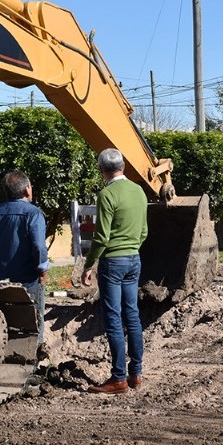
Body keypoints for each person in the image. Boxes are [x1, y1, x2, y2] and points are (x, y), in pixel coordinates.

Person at [81, 148, 148, 395]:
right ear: (124, 166)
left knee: (113, 319)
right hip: (134, 259)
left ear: (102, 171)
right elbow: (143, 232)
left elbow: (101, 236)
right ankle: (136, 373)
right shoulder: (139, 191)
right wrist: (131, 248)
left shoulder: (107, 194)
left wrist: (89, 265)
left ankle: (118, 378)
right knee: (132, 315)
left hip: (113, 262)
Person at [0, 170, 48, 346]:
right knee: (35, 319)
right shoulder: (33, 213)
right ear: (27, 189)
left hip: (1, 278)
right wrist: (42, 269)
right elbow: (39, 246)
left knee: (7, 318)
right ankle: (34, 358)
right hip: (29, 279)